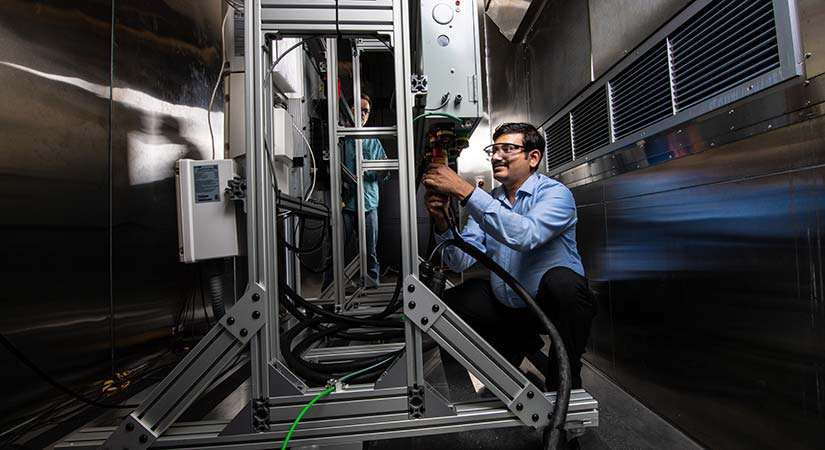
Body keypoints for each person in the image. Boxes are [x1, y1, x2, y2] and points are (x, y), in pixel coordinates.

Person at [422, 122, 595, 390]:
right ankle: (468, 389)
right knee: (450, 304)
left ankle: (566, 378)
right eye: (494, 149)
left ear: (533, 157)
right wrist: (442, 222)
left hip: (546, 309)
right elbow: (459, 261)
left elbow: (525, 235)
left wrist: (464, 190)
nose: (495, 156)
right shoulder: (489, 201)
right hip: (507, 308)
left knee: (565, 285)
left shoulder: (555, 195)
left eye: (508, 149)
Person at [323, 93, 389, 290]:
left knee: (369, 252)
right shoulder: (340, 138)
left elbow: (384, 173)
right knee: (335, 251)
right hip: (344, 205)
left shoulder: (373, 141)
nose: (361, 114)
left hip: (368, 205)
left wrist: (381, 169)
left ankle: (371, 287)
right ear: (348, 110)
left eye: (365, 111)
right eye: (357, 109)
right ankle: (329, 289)